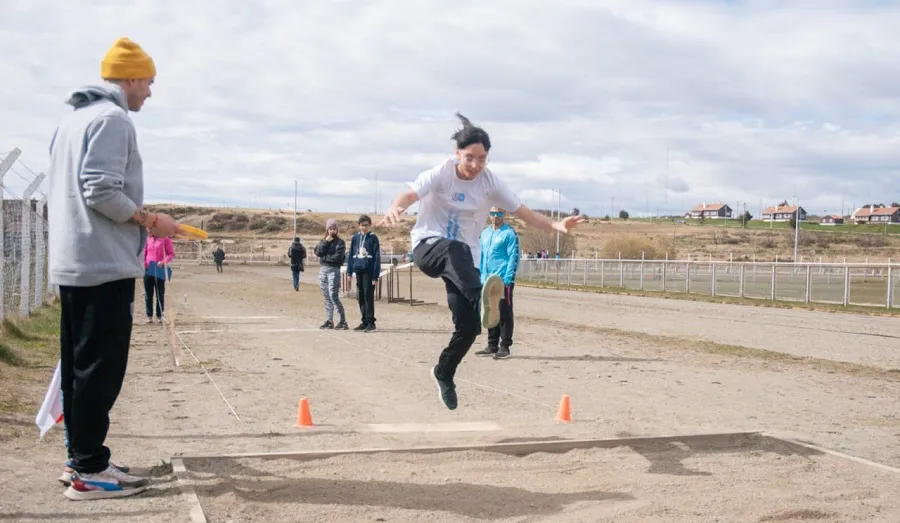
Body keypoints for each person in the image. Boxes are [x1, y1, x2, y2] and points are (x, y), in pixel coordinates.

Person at [46, 36, 181, 500]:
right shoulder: (113, 119)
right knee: (100, 368)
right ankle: (88, 472)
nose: (149, 92)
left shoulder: (73, 120)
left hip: (74, 259)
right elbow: (100, 190)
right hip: (101, 262)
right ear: (130, 78)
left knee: (80, 366)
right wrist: (150, 220)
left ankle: (83, 458)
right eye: (147, 82)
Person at [379, 113, 584, 410]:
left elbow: (526, 214)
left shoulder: (490, 183)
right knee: (454, 249)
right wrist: (395, 208)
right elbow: (409, 194)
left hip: (465, 263)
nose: (476, 166)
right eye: (470, 158)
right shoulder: (440, 173)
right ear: (457, 154)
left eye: (482, 159)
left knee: (470, 327)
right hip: (429, 247)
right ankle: (483, 299)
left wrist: (556, 227)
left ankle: (444, 372)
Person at [474, 207, 519, 359]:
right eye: (492, 213)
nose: (495, 216)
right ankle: (492, 344)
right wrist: (480, 276)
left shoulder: (509, 233)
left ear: (504, 214)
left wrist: (508, 278)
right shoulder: (485, 234)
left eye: (499, 213)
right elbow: (481, 256)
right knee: (490, 309)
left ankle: (505, 345)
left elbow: (513, 257)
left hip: (502, 280)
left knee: (504, 311)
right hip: (487, 280)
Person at [346, 214, 381, 331]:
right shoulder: (355, 238)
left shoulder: (373, 238)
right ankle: (364, 321)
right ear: (359, 226)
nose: (364, 228)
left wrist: (375, 276)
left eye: (366, 225)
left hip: (369, 271)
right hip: (358, 270)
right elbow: (351, 255)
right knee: (360, 296)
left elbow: (377, 257)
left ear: (369, 225)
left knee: (368, 296)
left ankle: (371, 322)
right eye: (362, 225)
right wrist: (349, 272)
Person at [315, 219, 348, 329]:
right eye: (330, 229)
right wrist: (326, 242)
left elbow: (337, 258)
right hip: (323, 270)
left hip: (334, 270)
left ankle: (343, 321)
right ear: (327, 230)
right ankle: (329, 321)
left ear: (337, 230)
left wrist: (324, 257)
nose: (332, 231)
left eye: (334, 229)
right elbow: (318, 252)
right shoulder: (323, 241)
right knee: (326, 296)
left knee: (333, 296)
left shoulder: (340, 243)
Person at [143, 233, 174, 323]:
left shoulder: (165, 238)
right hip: (148, 269)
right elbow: (144, 253)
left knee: (160, 294)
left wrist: (163, 261)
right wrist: (145, 265)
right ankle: (149, 316)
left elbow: (170, 254)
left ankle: (159, 315)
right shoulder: (148, 238)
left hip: (160, 269)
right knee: (148, 294)